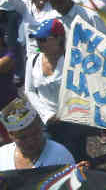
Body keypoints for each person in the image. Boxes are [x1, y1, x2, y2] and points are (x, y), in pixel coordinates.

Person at [24, 19, 88, 161]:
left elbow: (82, 90)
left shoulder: (72, 60)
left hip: (72, 120)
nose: (38, 43)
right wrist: (47, 114)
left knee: (75, 157)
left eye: (42, 39)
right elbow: (29, 90)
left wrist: (64, 113)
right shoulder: (33, 60)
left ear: (58, 38)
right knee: (49, 158)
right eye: (36, 39)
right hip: (45, 121)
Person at [0, 97, 75, 170]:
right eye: (23, 137)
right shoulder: (2, 155)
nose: (31, 141)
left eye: (35, 133)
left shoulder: (60, 155)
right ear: (11, 135)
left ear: (41, 128)